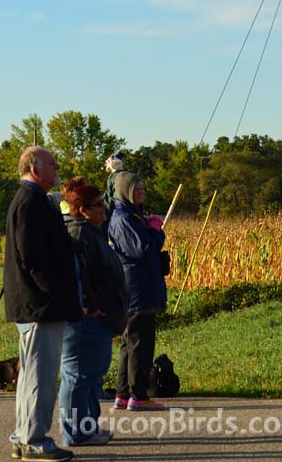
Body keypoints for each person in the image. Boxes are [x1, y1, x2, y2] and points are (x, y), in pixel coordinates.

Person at [4, 146, 82, 462]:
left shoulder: (34, 201)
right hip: (40, 305)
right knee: (41, 377)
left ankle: (22, 435)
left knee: (31, 375)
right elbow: (32, 255)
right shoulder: (30, 202)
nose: (57, 166)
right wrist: (53, 292)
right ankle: (34, 441)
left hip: (36, 304)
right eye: (52, 162)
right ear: (35, 168)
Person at [59, 185, 128, 446]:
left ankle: (88, 426)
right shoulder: (77, 233)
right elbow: (79, 275)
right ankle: (75, 432)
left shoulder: (90, 232)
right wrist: (90, 306)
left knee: (91, 376)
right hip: (87, 319)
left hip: (99, 318)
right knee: (78, 376)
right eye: (98, 205)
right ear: (81, 210)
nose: (104, 209)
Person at [108, 171, 167, 411]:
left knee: (129, 342)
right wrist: (155, 231)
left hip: (138, 286)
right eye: (135, 188)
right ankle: (138, 395)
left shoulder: (131, 215)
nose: (141, 191)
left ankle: (123, 394)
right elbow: (143, 250)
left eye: (142, 187)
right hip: (137, 288)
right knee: (140, 344)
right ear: (124, 191)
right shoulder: (124, 217)